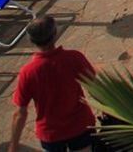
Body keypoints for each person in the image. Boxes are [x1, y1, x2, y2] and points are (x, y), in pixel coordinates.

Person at [8, 15, 106, 152]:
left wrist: (13, 145)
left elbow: (20, 113)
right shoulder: (74, 58)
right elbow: (95, 88)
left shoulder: (28, 72)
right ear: (55, 34)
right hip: (80, 125)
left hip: (51, 133)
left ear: (31, 40)